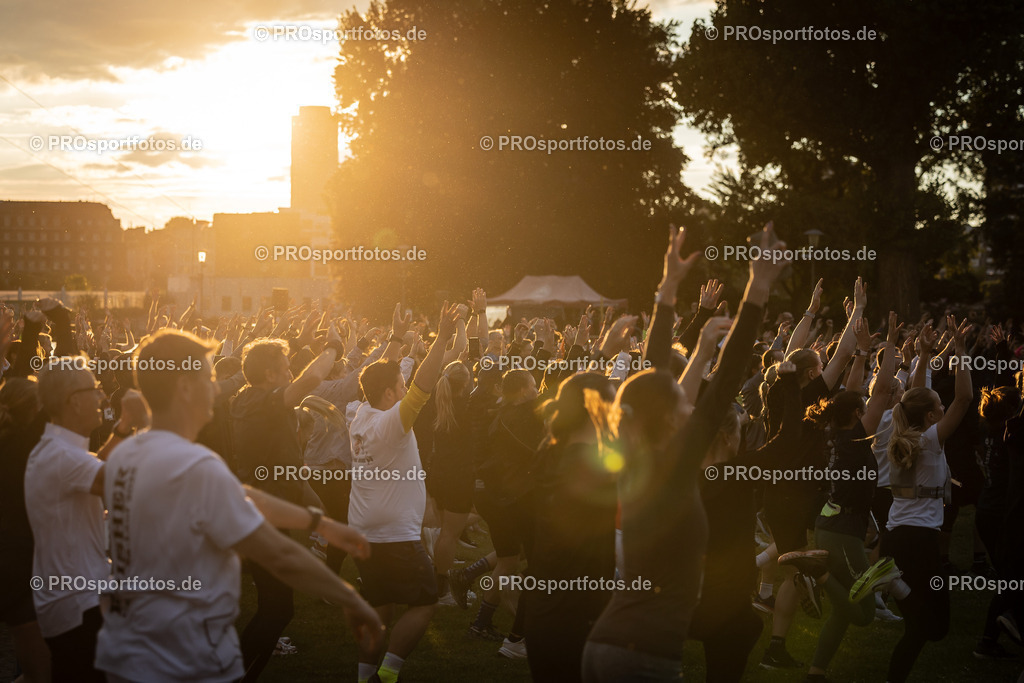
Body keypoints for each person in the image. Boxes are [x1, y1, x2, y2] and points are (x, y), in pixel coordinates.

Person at [93, 329, 383, 682]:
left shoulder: (134, 453)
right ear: (184, 388)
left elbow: (243, 494)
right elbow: (279, 552)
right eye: (208, 379)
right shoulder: (190, 464)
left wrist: (317, 523)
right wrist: (350, 599)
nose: (217, 390)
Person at [582, 222, 790, 682]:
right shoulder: (674, 468)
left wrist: (668, 288)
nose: (688, 400)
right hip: (643, 656)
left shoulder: (639, 458)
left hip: (605, 645)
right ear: (668, 416)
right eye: (680, 400)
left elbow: (655, 369)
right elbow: (727, 379)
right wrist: (757, 288)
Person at [347, 302, 461, 683]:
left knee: (379, 606)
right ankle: (387, 675)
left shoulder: (360, 415)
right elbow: (423, 386)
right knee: (426, 601)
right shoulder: (391, 426)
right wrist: (442, 337)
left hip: (363, 531)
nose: (404, 388)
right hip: (394, 534)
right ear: (389, 393)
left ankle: (364, 677)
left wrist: (396, 339)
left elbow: (379, 377)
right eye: (400, 386)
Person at [230, 322, 346, 680]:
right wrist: (333, 348)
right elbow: (310, 380)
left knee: (277, 607)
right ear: (269, 375)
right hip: (265, 519)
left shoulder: (246, 398)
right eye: (284, 368)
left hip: (262, 515)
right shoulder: (262, 401)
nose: (290, 373)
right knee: (277, 609)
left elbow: (286, 465)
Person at [800, 312, 911, 682]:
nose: (869, 404)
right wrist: (890, 341)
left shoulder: (835, 432)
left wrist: (863, 353)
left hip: (832, 525)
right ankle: (816, 573)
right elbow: (880, 389)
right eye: (863, 406)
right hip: (842, 532)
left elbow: (852, 393)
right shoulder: (855, 437)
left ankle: (816, 671)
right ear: (859, 414)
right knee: (862, 614)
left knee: (841, 610)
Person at [24, 359, 149, 683]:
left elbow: (96, 465)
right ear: (74, 401)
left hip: (73, 599)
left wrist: (124, 426)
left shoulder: (58, 450)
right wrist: (155, 423)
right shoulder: (62, 456)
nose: (102, 396)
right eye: (94, 389)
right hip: (79, 603)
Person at [882, 315, 973, 683]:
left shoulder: (902, 435)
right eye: (939, 405)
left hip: (897, 537)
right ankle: (891, 581)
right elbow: (965, 398)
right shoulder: (931, 442)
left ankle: (892, 580)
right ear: (933, 415)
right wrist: (961, 350)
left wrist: (923, 355)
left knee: (919, 629)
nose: (944, 407)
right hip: (918, 542)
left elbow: (915, 395)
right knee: (934, 628)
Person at [523, 372, 617, 683]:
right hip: (576, 616)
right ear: (597, 409)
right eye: (614, 403)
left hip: (545, 608)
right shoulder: (590, 465)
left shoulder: (551, 451)